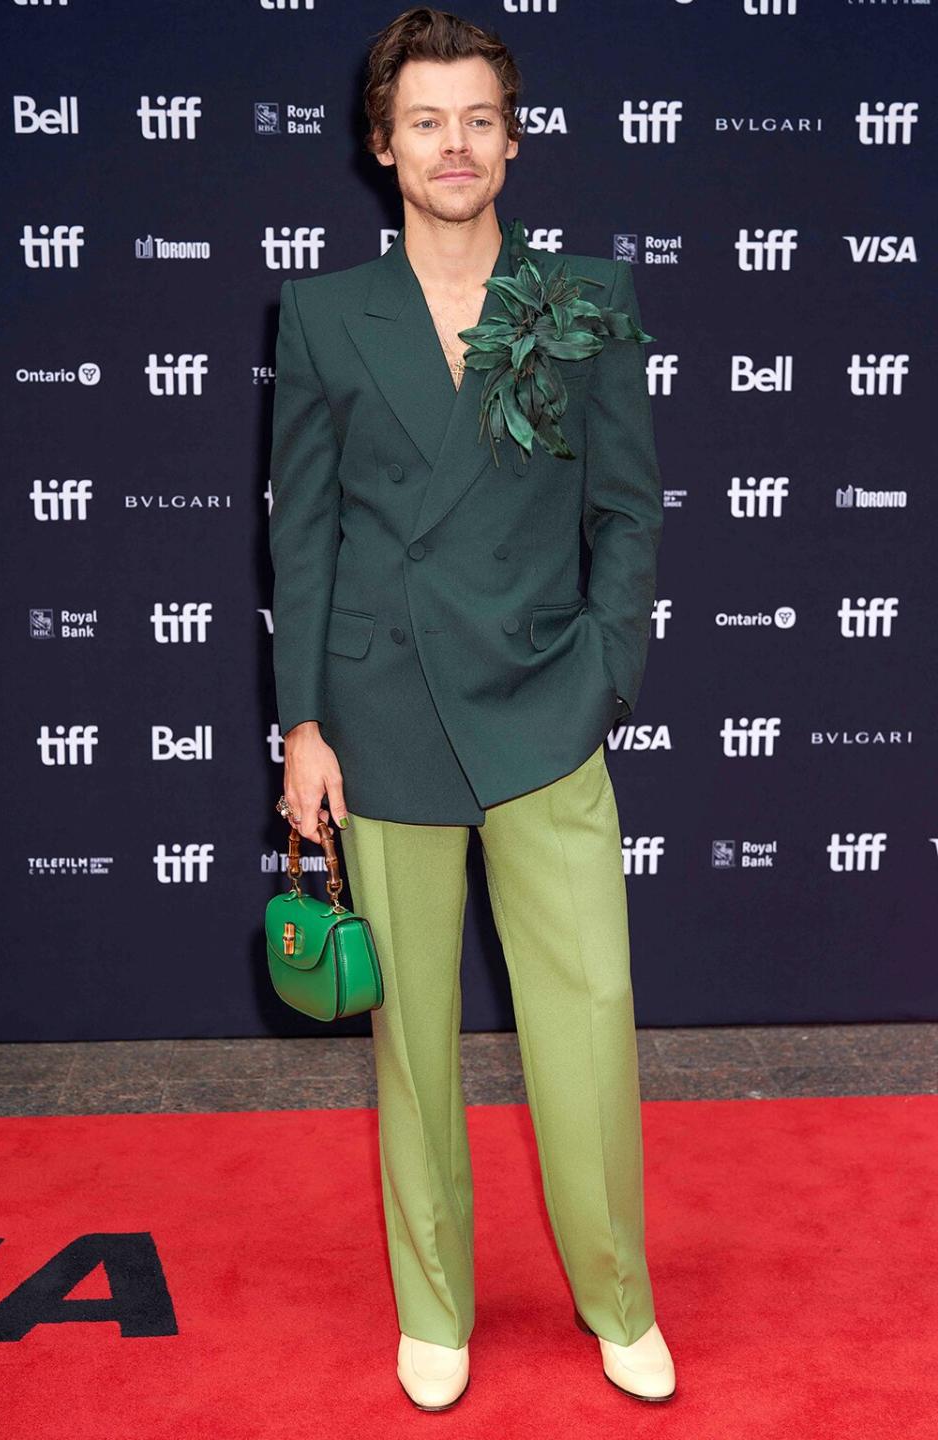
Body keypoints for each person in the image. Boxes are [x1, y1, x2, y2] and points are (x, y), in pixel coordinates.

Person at [268, 4, 675, 1411]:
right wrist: (303, 724)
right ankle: (433, 1304)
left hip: (544, 710)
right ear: (384, 145)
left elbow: (627, 510)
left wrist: (602, 674)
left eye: (478, 120)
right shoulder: (325, 311)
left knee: (588, 1019)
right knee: (413, 1045)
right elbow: (304, 535)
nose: (455, 144)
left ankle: (619, 1294)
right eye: (426, 120)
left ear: (512, 141)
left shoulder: (582, 299)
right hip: (380, 718)